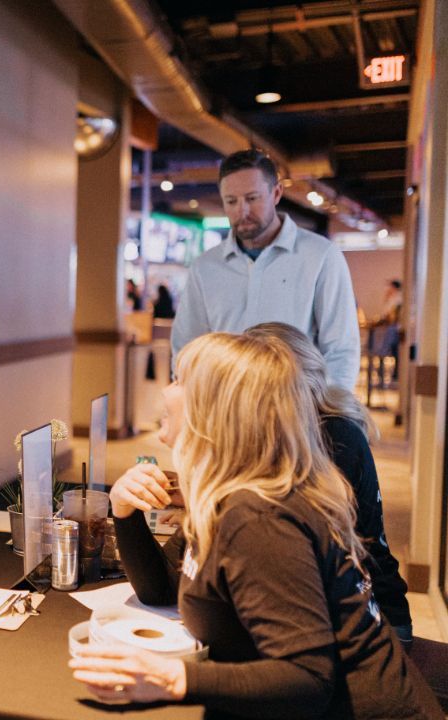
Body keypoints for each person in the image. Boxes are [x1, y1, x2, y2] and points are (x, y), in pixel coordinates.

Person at [70, 333, 439, 718]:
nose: (166, 389)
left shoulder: (259, 518)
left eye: (180, 379)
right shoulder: (229, 493)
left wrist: (174, 679)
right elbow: (162, 589)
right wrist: (124, 510)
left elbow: (307, 678)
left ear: (214, 409)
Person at [245, 321, 412, 642]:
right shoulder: (292, 431)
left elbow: (298, 539)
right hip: (334, 605)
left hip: (375, 616)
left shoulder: (336, 435)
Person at [171, 149, 361, 389]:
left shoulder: (321, 256)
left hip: (297, 412)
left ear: (276, 193)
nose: (242, 211)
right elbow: (187, 349)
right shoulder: (205, 267)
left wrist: (329, 417)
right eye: (231, 201)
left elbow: (341, 350)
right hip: (224, 412)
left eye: (252, 198)